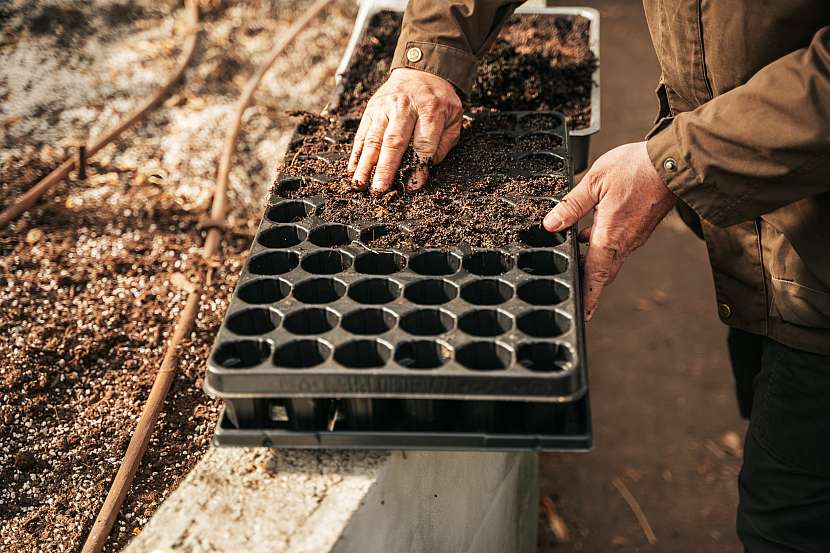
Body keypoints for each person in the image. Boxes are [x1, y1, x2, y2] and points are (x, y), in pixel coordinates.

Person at [348, 2, 830, 551]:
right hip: (764, 231)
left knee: (789, 520)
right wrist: (428, 54)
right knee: (774, 422)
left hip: (818, 260)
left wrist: (679, 160)